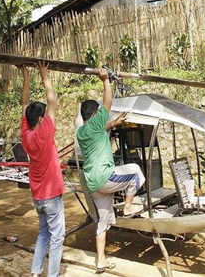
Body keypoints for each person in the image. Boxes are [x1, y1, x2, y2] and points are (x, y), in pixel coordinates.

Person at [76, 68, 145, 274]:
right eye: (99, 113)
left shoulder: (82, 131)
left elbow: (99, 130)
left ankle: (100, 261)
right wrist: (105, 80)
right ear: (94, 114)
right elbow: (108, 102)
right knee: (135, 171)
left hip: (93, 184)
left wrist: (113, 124)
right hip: (105, 177)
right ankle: (128, 207)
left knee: (103, 222)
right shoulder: (96, 121)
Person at [19, 62, 65, 277]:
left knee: (44, 234)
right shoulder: (44, 131)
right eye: (43, 114)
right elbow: (53, 101)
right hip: (52, 196)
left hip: (38, 196)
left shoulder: (26, 134)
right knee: (56, 238)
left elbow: (24, 103)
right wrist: (44, 74)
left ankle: (35, 272)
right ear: (40, 118)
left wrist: (27, 75)